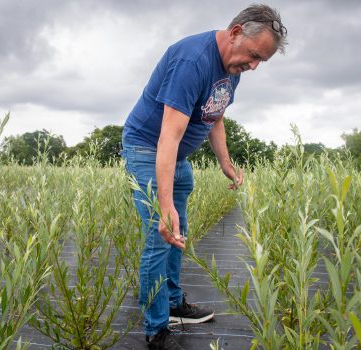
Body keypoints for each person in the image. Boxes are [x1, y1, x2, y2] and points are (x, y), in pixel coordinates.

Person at [121, 4, 287, 349]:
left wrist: (225, 162)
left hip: (174, 155)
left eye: (262, 62)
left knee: (178, 230)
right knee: (161, 232)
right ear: (236, 31)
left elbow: (216, 116)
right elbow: (168, 135)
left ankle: (173, 301)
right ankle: (156, 329)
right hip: (148, 148)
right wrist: (164, 204)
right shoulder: (192, 61)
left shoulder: (232, 68)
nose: (253, 66)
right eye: (254, 56)